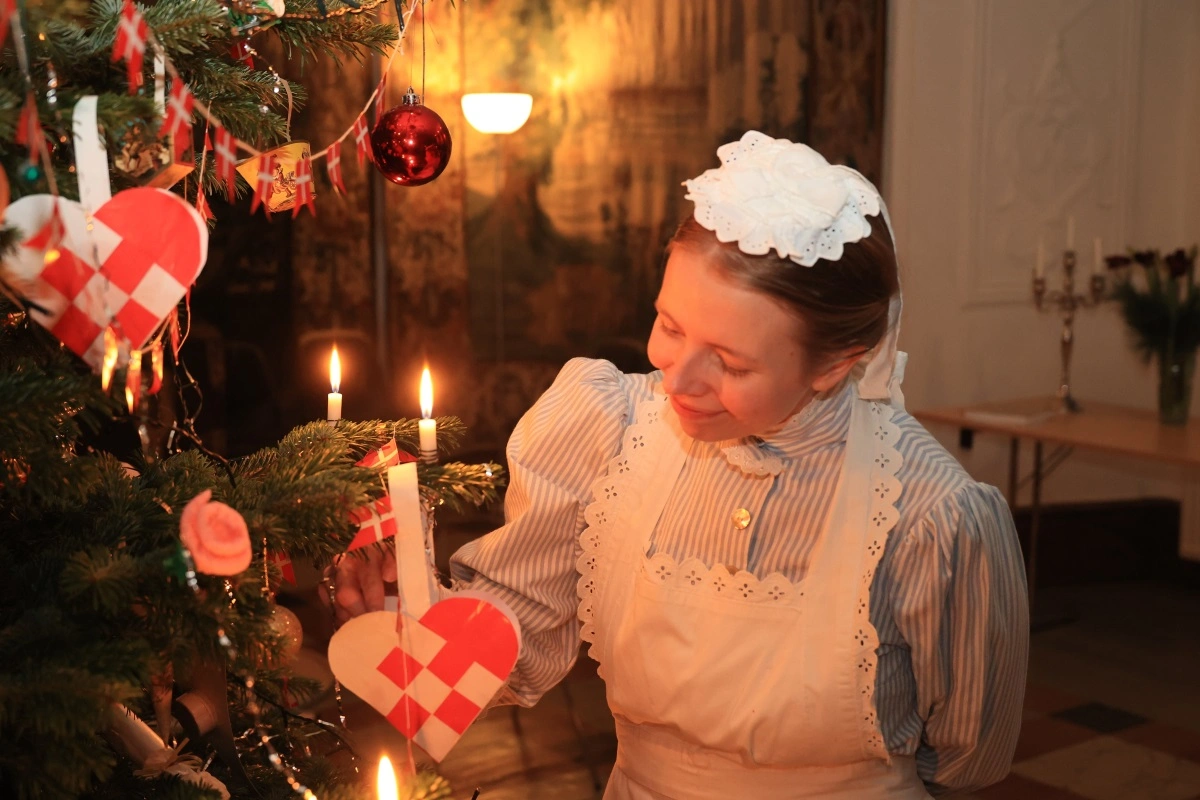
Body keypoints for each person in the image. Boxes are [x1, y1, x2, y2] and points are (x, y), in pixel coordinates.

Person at [332, 131, 1029, 799]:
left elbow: (970, 752)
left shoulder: (932, 514)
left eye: (729, 363)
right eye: (669, 324)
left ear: (836, 365)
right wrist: (410, 620)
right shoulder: (608, 430)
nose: (678, 378)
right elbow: (519, 632)